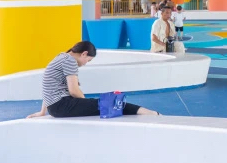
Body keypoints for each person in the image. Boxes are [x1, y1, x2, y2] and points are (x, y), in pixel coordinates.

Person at [27, 41, 158, 118]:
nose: (85, 64)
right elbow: (73, 91)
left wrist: (43, 112)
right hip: (61, 106)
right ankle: (149, 113)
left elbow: (48, 85)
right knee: (109, 103)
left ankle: (145, 112)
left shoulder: (61, 56)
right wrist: (86, 104)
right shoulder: (70, 61)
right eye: (88, 60)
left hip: (55, 107)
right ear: (84, 53)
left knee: (99, 103)